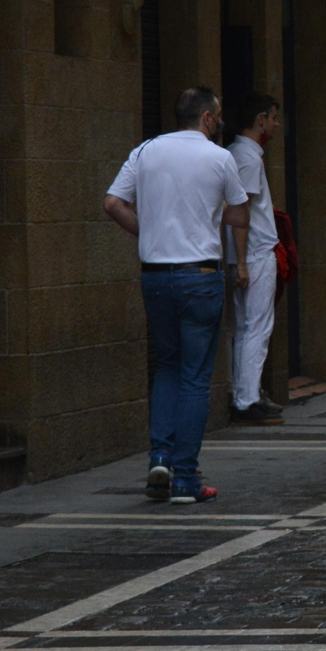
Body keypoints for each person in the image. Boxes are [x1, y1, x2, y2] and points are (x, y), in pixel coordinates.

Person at [103, 87, 251, 505]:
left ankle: (160, 458)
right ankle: (186, 476)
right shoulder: (220, 158)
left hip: (155, 277)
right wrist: (208, 211)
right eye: (218, 116)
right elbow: (240, 214)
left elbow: (113, 203)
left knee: (167, 366)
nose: (220, 122)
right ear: (207, 118)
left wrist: (149, 231)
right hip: (200, 276)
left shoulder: (146, 151)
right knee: (195, 377)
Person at [226, 92, 284, 427]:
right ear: (260, 120)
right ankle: (246, 399)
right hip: (256, 253)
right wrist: (244, 261)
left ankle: (246, 391)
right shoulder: (247, 158)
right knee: (255, 327)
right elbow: (241, 209)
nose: (276, 124)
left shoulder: (238, 154)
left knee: (244, 326)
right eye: (273, 117)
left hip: (248, 253)